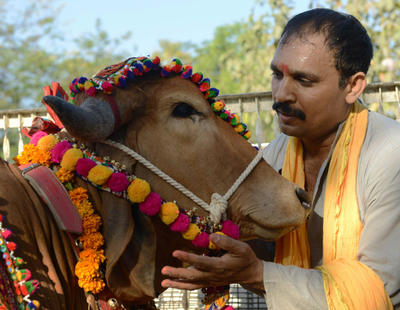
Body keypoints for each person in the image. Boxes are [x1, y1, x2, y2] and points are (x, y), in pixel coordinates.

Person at [161, 8, 400, 309]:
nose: (281, 94)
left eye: (304, 80)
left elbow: (379, 287)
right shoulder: (277, 153)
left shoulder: (390, 154)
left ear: (353, 86)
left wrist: (257, 274)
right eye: (277, 75)